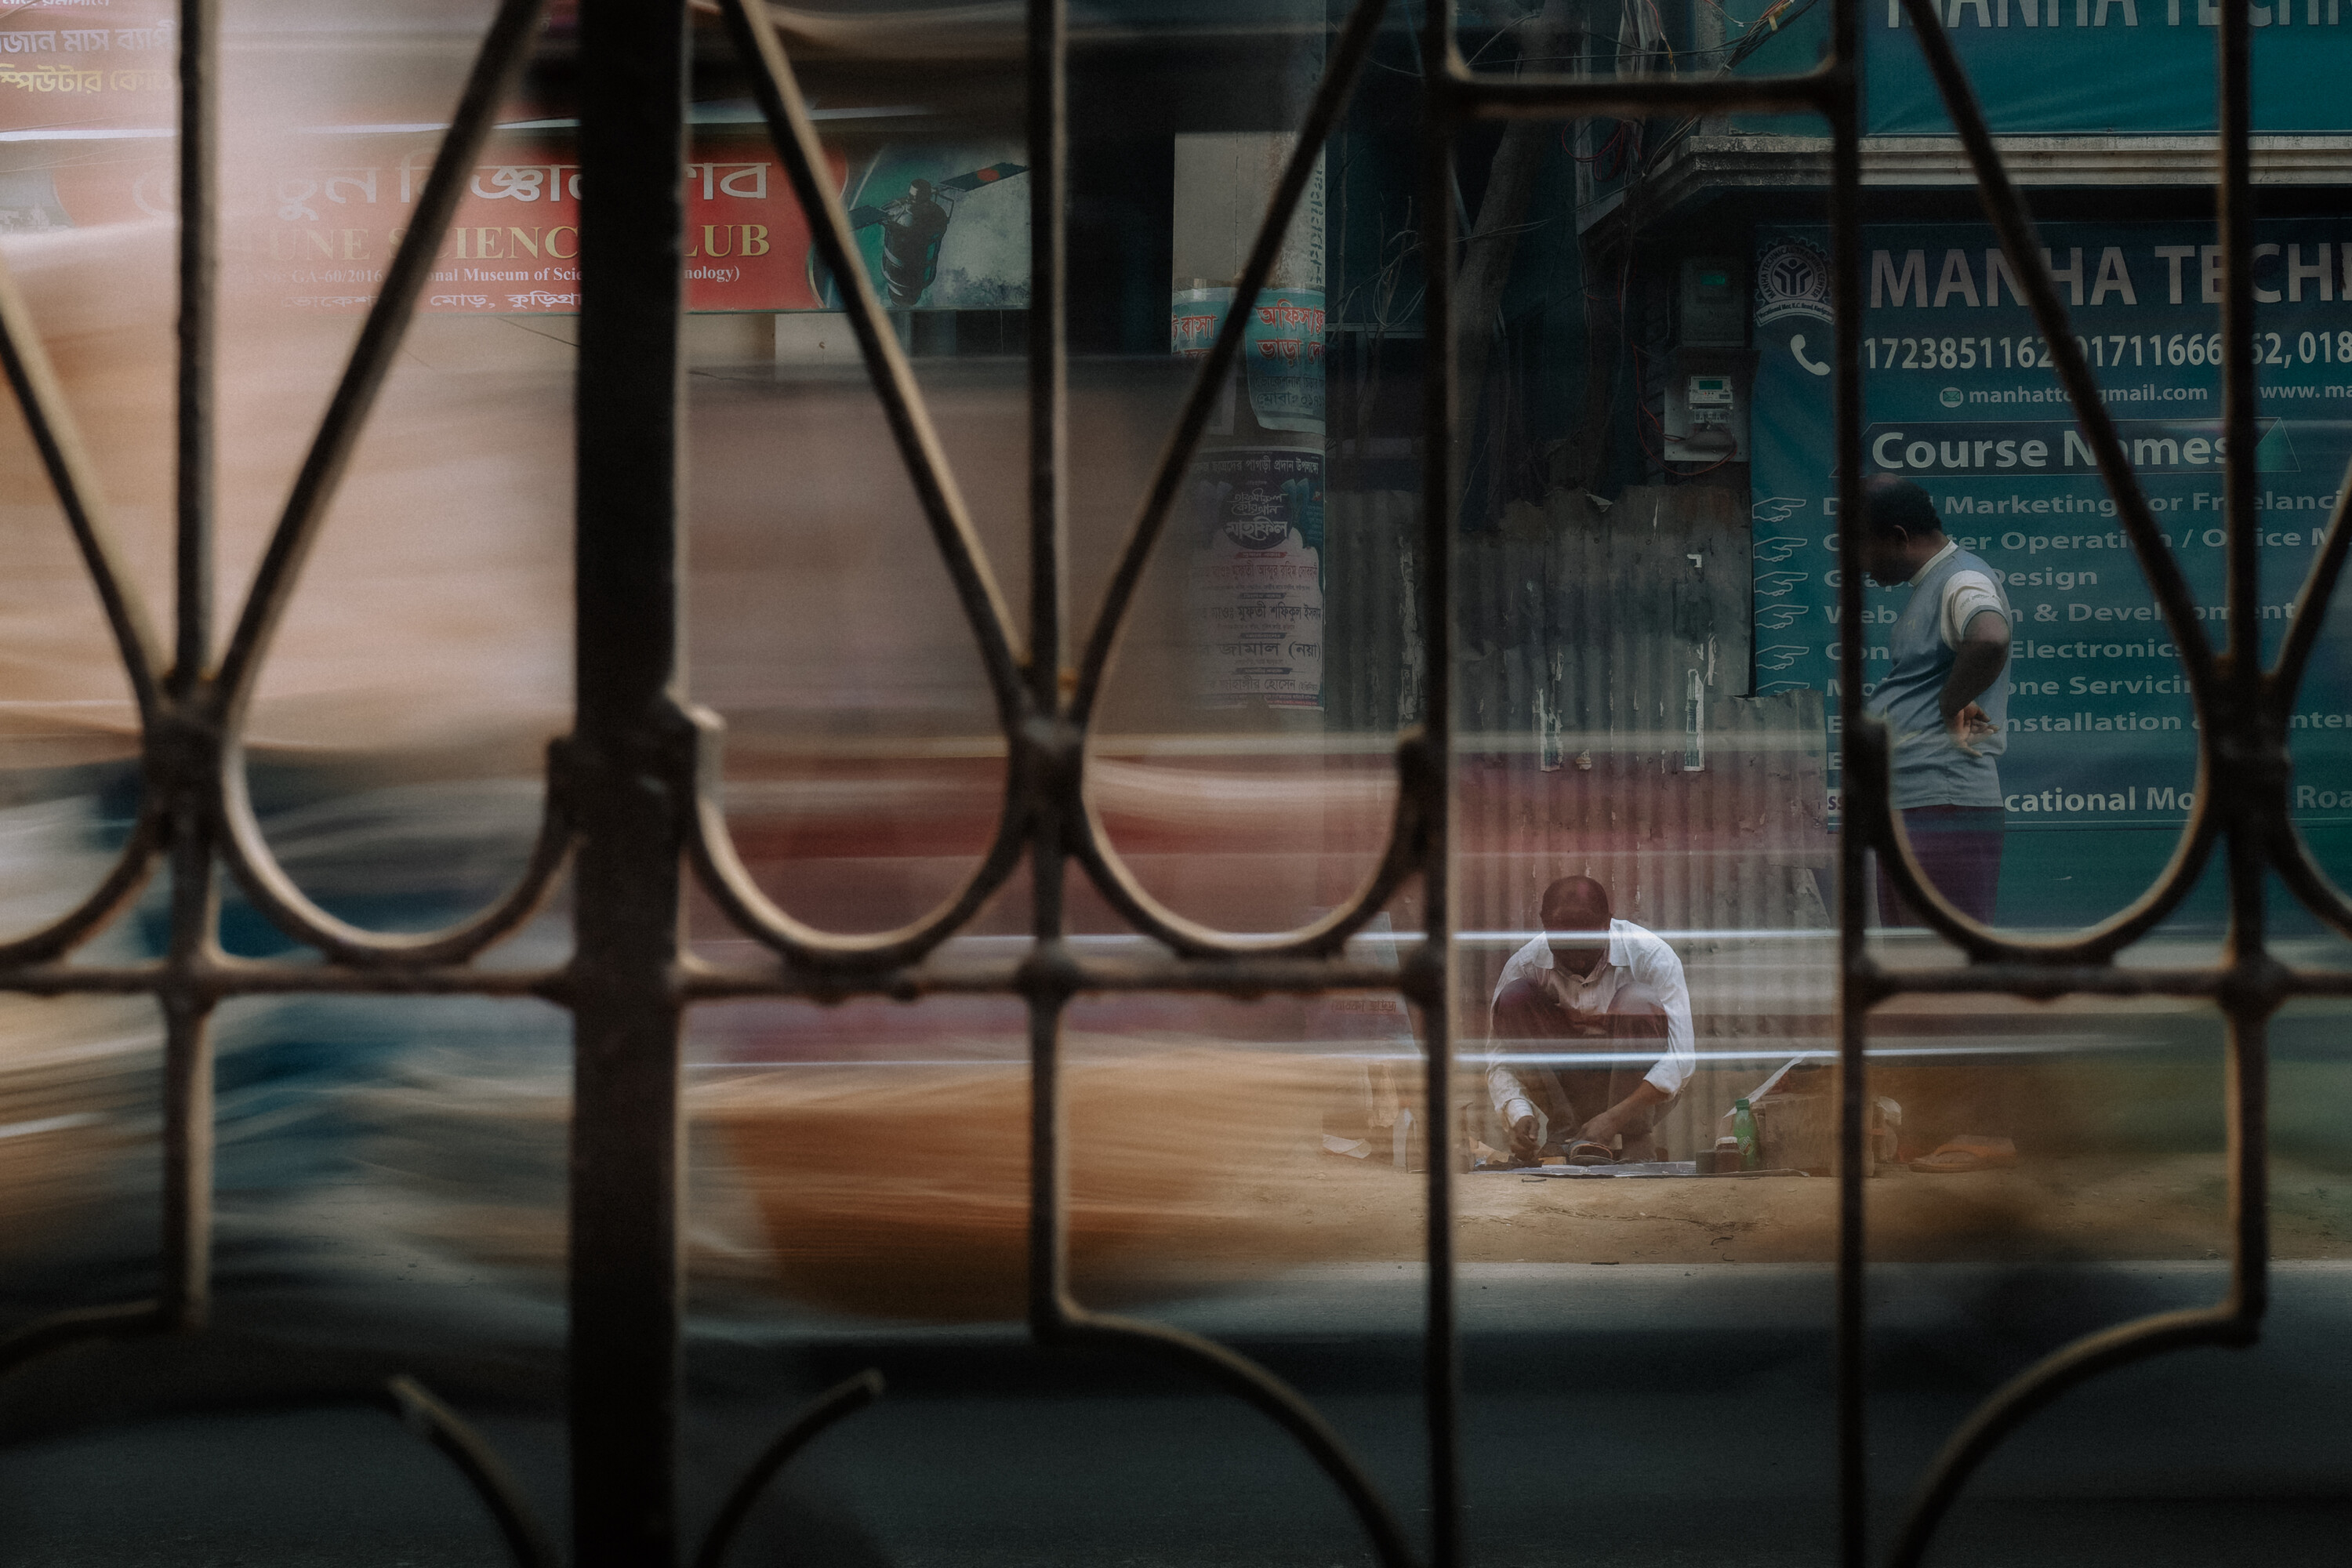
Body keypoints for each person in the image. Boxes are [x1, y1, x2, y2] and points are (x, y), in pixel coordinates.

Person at [1857, 475, 2013, 927]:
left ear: (1899, 538)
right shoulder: (1933, 585)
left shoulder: (1961, 578)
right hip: (1918, 802)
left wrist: (1950, 704)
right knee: (1915, 961)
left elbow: (1989, 637)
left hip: (1943, 804)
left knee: (1939, 961)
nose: (1860, 564)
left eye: (1864, 547)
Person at [1487, 876, 1696, 1165]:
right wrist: (1519, 1112)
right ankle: (1565, 1132)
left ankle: (1636, 1138)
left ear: (1608, 922)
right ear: (1544, 924)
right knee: (1513, 999)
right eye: (1564, 940)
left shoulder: (1652, 956)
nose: (1577, 953)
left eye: (1587, 938)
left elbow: (1681, 1059)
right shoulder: (1525, 964)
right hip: (1567, 1091)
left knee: (1637, 1001)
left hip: (1635, 1094)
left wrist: (1616, 1118)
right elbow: (1499, 1058)